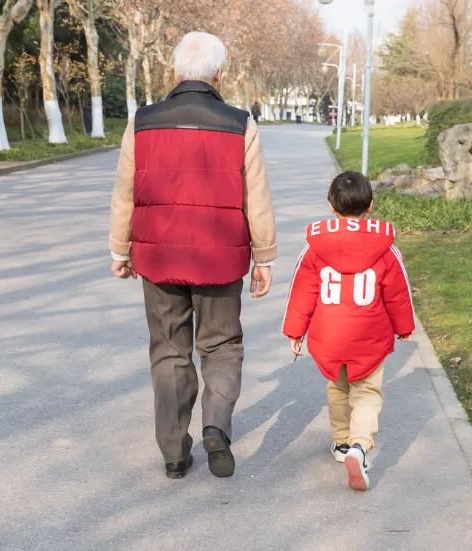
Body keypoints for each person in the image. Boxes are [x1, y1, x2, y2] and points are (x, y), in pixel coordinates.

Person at [108, 32, 277, 480]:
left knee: (169, 350)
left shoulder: (143, 121)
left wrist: (119, 248)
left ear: (176, 72)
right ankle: (216, 426)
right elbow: (255, 196)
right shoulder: (240, 122)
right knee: (222, 346)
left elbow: (125, 191)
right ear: (219, 74)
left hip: (158, 258)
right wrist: (264, 258)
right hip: (219, 257)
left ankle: (174, 452)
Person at [282, 171, 415, 491]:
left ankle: (342, 444)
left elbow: (302, 291)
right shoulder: (385, 248)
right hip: (369, 335)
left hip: (330, 336)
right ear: (370, 205)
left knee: (338, 389)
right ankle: (359, 443)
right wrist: (404, 327)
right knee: (367, 392)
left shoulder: (315, 247)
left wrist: (295, 331)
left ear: (331, 205)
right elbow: (397, 292)